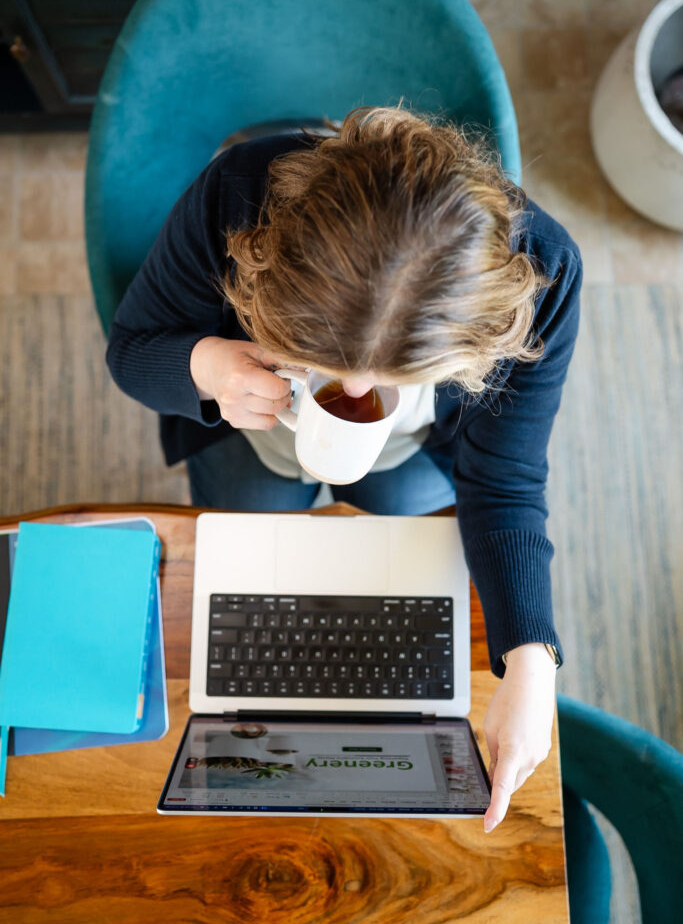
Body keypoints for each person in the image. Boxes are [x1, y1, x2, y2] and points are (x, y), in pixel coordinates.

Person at [107, 106, 582, 833]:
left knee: (407, 547)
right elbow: (133, 351)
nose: (352, 397)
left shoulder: (543, 277)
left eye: (388, 377)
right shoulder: (233, 193)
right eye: (321, 369)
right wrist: (204, 365)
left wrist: (532, 661)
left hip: (421, 447)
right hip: (247, 430)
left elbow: (505, 480)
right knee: (250, 536)